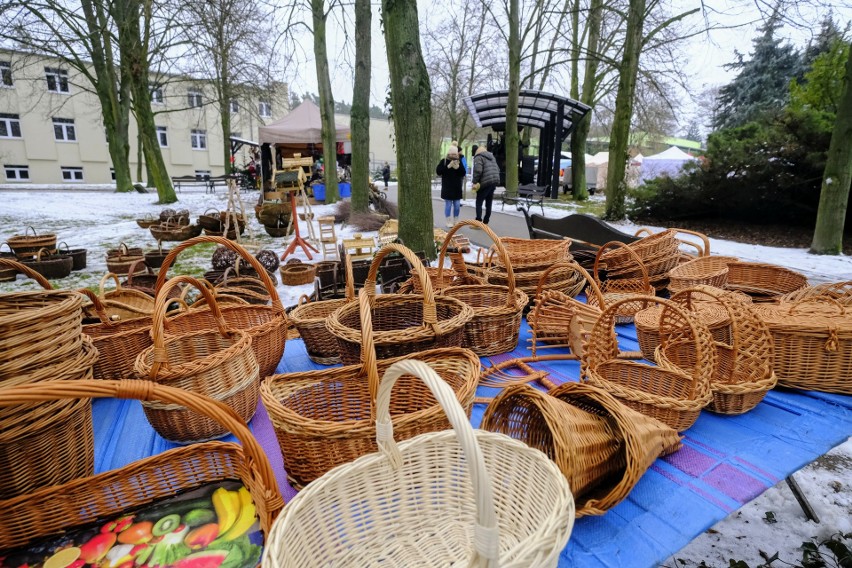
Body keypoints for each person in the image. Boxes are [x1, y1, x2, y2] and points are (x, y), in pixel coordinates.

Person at [436, 145, 466, 228]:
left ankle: (456, 220)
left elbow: (463, 173)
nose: (453, 156)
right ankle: (448, 220)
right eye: (452, 154)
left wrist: (458, 168)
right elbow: (438, 171)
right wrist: (448, 167)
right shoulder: (444, 161)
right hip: (447, 187)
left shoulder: (459, 161)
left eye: (455, 154)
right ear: (449, 154)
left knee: (457, 205)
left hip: (456, 187)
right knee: (448, 205)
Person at [471, 145, 501, 226]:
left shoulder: (478, 157)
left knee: (479, 202)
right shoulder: (491, 156)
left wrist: (474, 182)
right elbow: (498, 169)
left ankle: (478, 222)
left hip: (485, 182)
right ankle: (486, 221)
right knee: (489, 202)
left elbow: (478, 171)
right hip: (493, 181)